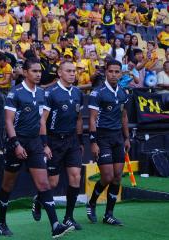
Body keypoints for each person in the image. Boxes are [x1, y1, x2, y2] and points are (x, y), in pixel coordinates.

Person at [0, 58, 74, 238]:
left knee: (44, 183)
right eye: (34, 71)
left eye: (40, 71)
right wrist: (16, 144)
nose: (38, 74)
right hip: (16, 142)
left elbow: (41, 121)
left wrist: (45, 144)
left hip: (35, 143)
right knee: (8, 185)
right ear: (25, 72)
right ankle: (1, 222)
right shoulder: (15, 93)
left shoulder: (42, 93)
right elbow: (8, 121)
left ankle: (55, 225)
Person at [37, 61, 84, 230]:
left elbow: (79, 118)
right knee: (53, 183)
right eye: (69, 71)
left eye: (74, 71)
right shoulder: (50, 93)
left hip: (71, 140)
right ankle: (39, 199)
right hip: (54, 141)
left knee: (76, 177)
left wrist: (80, 141)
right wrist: (45, 144)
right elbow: (42, 120)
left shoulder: (79, 92)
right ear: (60, 73)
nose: (72, 74)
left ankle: (69, 217)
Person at [86, 60, 130, 226]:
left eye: (117, 71)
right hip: (102, 137)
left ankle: (109, 214)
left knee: (117, 177)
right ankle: (92, 202)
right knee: (108, 176)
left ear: (121, 74)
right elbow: (92, 118)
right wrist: (93, 141)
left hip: (118, 137)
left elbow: (124, 116)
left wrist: (127, 138)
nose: (113, 74)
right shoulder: (97, 92)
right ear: (106, 72)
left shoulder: (123, 92)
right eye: (111, 71)